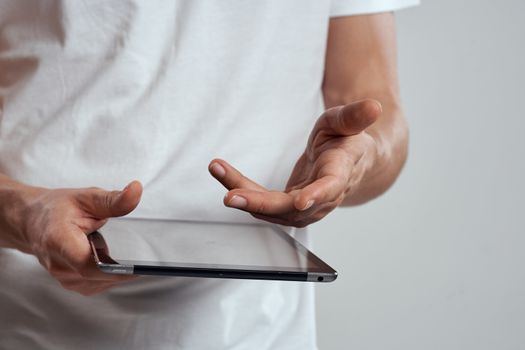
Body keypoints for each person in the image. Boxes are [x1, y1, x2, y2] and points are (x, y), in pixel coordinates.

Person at [0, 1, 417, 349]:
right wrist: (23, 216)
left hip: (255, 331)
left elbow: (371, 112)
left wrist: (352, 162)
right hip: (25, 322)